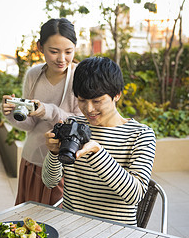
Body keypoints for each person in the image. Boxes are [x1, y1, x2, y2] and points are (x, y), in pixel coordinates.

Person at [42, 56, 156, 225]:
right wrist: (53, 153)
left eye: (97, 101)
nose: (88, 109)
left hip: (115, 233)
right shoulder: (73, 127)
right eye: (82, 100)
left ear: (116, 95)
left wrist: (98, 153)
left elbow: (135, 196)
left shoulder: (140, 135)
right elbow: (49, 182)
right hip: (71, 227)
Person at [2, 18, 82, 205]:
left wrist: (48, 110)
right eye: (54, 51)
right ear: (40, 47)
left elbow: (82, 123)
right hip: (32, 160)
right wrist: (13, 113)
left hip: (64, 164)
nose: (62, 59)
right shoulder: (33, 74)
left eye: (68, 52)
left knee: (59, 224)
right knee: (28, 224)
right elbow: (30, 125)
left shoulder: (79, 76)